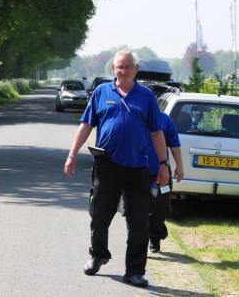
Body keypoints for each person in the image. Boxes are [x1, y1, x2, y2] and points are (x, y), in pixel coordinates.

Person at [64, 50, 169, 288]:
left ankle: (135, 271)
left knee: (139, 221)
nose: (122, 71)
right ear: (113, 68)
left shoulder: (146, 96)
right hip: (107, 165)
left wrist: (163, 165)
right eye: (118, 67)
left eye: (127, 67)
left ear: (136, 69)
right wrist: (71, 155)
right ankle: (98, 254)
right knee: (100, 215)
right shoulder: (101, 92)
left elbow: (156, 132)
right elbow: (85, 125)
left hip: (138, 167)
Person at [147, 112, 184, 253]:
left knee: (161, 207)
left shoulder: (164, 119)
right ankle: (141, 242)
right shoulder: (134, 116)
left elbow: (174, 146)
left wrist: (179, 166)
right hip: (138, 171)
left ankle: (156, 235)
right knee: (138, 209)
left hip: (161, 171)